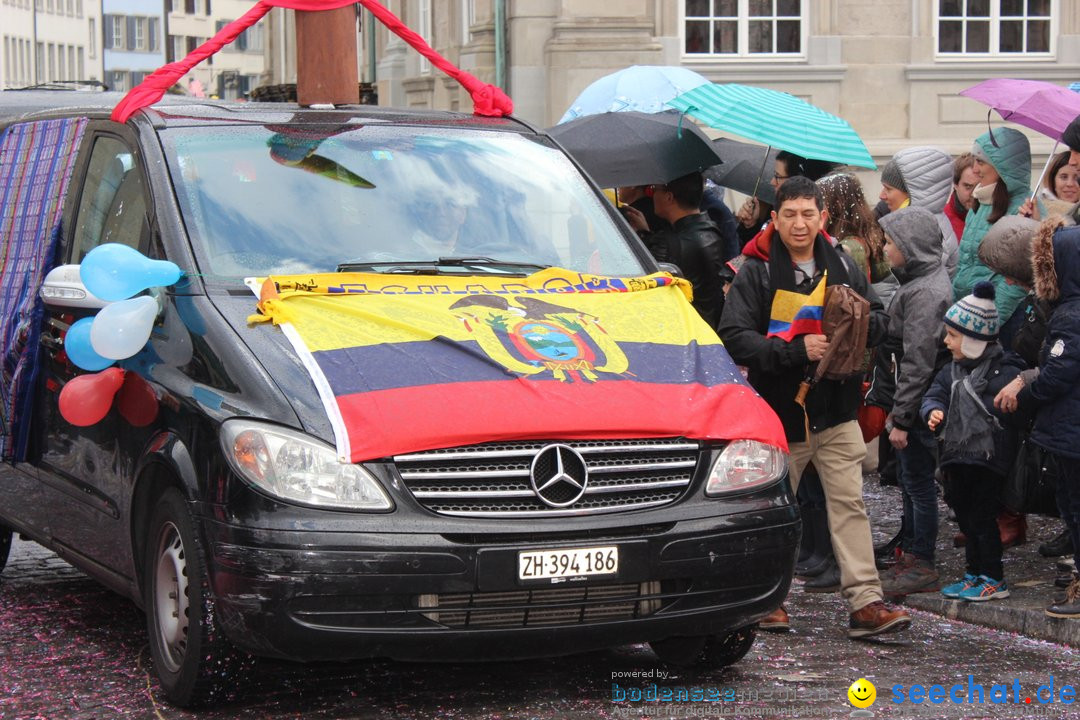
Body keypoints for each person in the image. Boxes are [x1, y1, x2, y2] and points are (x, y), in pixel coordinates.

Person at [719, 176, 911, 639]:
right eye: (790, 214)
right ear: (776, 219)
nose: (800, 224)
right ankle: (769, 601)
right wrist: (795, 350)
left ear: (823, 218)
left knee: (850, 505)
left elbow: (880, 318)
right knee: (775, 510)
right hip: (781, 416)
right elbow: (733, 336)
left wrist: (864, 327)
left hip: (838, 409)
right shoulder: (757, 270)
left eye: (808, 214)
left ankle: (866, 604)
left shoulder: (844, 263)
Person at [866, 207, 953, 597]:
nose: (884, 248)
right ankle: (910, 549)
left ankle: (922, 561)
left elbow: (918, 361)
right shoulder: (918, 281)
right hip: (913, 400)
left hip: (916, 405)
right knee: (910, 480)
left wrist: (901, 418)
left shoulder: (925, 293)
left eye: (890, 243)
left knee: (917, 483)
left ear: (911, 247)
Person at [923, 281, 1025, 602]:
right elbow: (934, 395)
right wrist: (934, 411)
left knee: (982, 518)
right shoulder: (950, 370)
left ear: (975, 340)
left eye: (953, 335)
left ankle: (993, 576)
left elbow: (1009, 413)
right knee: (966, 517)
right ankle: (973, 573)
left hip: (988, 458)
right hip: (957, 457)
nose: (946, 340)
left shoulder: (1003, 372)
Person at [1002, 215, 1080, 618]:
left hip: (1070, 430)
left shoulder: (1070, 315)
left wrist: (1029, 391)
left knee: (1074, 504)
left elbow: (1059, 372)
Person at [624, 171, 725, 328]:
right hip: (709, 328)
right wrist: (645, 233)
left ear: (669, 197)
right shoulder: (713, 232)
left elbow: (648, 291)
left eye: (654, 189)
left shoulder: (668, 242)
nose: (652, 196)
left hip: (681, 329)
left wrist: (643, 237)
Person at [953, 126, 1031, 321]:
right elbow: (965, 263)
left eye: (981, 162)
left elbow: (1015, 285)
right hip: (967, 313)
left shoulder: (1025, 210)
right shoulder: (981, 201)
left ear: (1003, 167)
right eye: (974, 160)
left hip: (995, 322)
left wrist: (988, 323)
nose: (975, 169)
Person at [877, 146, 959, 277]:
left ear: (912, 193)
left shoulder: (929, 234)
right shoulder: (919, 226)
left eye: (888, 189)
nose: (882, 196)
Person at [1019, 151, 1080, 221]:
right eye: (1064, 177)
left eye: (1077, 178)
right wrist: (1031, 222)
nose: (1070, 184)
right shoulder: (1038, 209)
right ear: (1052, 180)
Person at [944, 152, 977, 243]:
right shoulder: (941, 222)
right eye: (968, 186)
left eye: (979, 186)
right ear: (955, 184)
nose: (974, 194)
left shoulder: (997, 216)